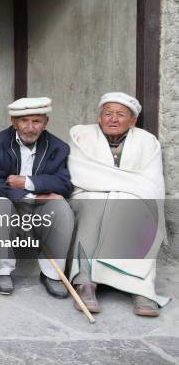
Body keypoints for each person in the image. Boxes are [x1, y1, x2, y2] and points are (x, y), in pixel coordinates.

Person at [69, 92, 168, 317]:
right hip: (88, 193)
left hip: (134, 196)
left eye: (120, 115)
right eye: (107, 114)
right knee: (94, 205)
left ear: (132, 121)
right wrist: (124, 185)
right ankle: (85, 281)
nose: (113, 119)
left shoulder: (147, 141)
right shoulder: (81, 134)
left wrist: (117, 188)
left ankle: (141, 288)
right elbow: (80, 173)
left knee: (137, 208)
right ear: (99, 117)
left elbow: (151, 183)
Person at [0, 97, 74, 298]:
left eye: (37, 121)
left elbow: (64, 184)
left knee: (62, 208)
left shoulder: (58, 148)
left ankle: (53, 273)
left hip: (40, 208)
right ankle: (1, 270)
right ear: (14, 122)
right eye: (24, 121)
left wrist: (26, 182)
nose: (30, 128)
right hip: (12, 202)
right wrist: (33, 196)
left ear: (46, 123)